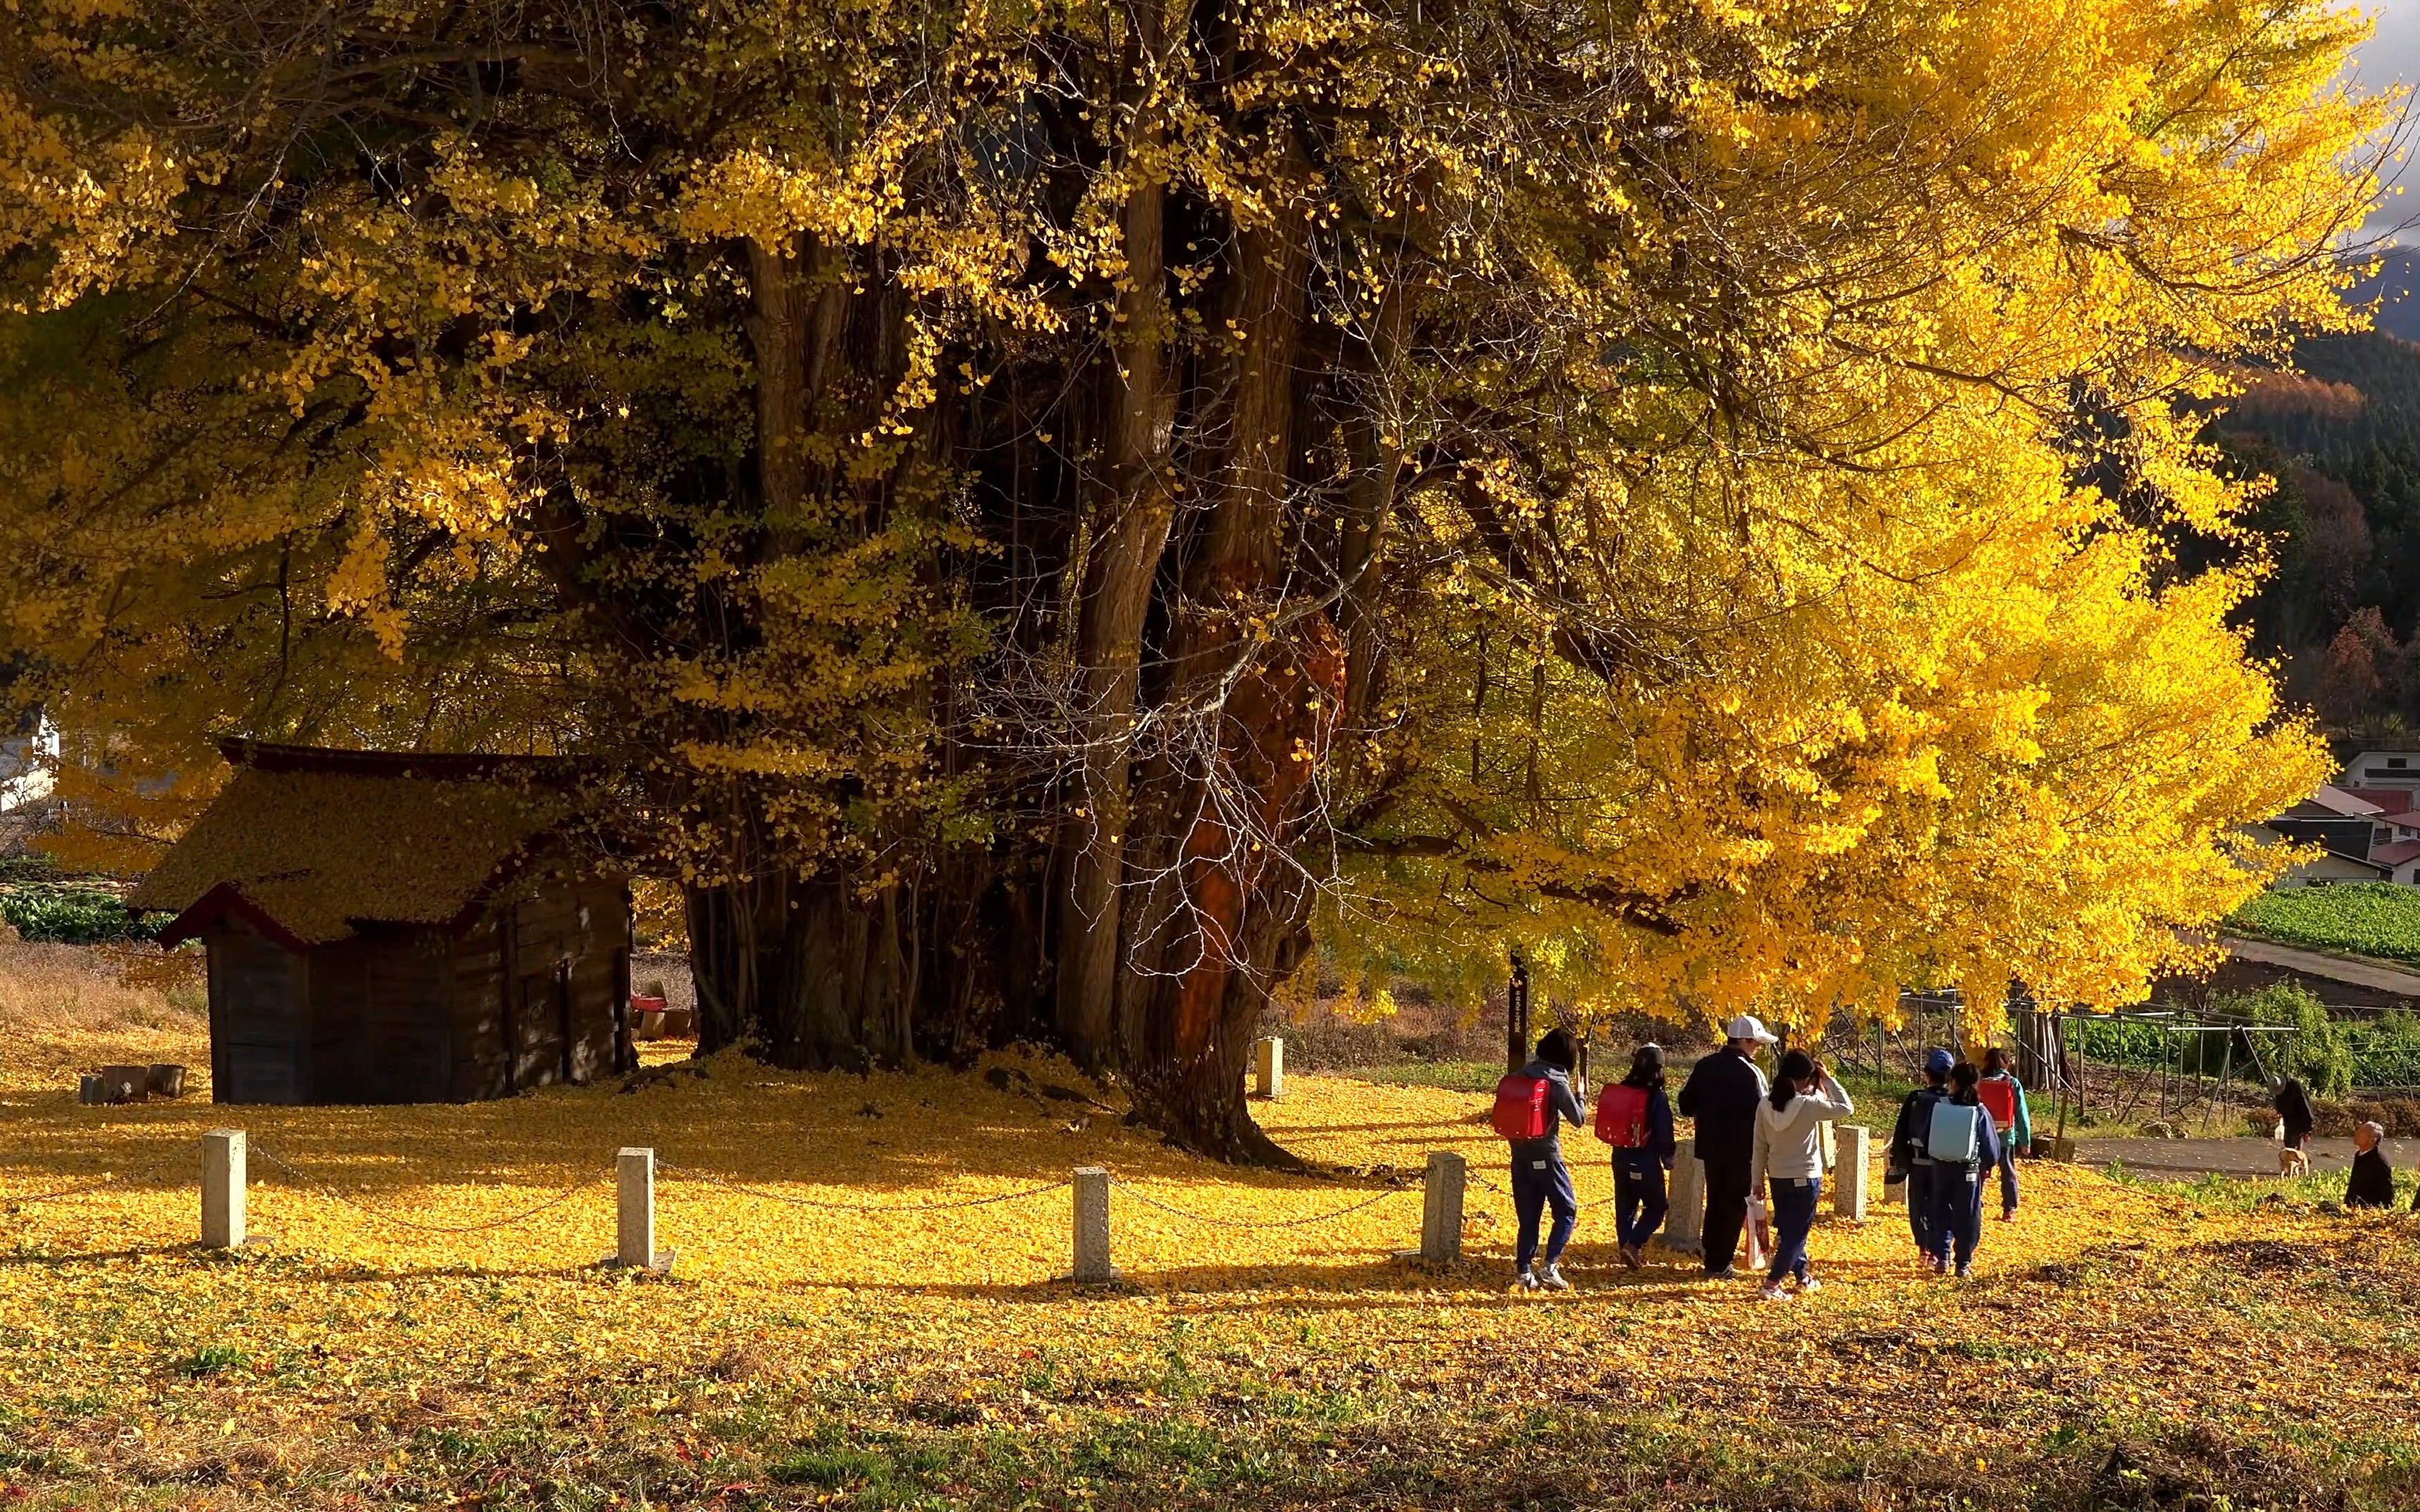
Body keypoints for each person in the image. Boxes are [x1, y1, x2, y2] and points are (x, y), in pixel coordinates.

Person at [1749, 1048, 1853, 1301]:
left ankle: (1802, 1276)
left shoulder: (1765, 1103)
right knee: (1796, 1234)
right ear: (1807, 1078)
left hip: (1778, 1176)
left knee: (1788, 1230)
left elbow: (1759, 1145)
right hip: (1805, 1175)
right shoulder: (1809, 1104)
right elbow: (1845, 1108)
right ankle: (1772, 1283)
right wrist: (1828, 1079)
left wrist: (1756, 1179)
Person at [1677, 1014, 1775, 1280]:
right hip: (1743, 1151)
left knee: (1717, 1202)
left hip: (1710, 1148)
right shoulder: (1752, 1073)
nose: (1758, 1048)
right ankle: (1720, 1263)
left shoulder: (1705, 1066)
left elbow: (1685, 1104)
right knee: (1735, 1205)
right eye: (1755, 1043)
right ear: (1743, 1041)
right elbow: (1764, 1114)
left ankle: (1713, 1257)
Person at [1507, 1028, 1587, 1290]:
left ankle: (1524, 1273)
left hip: (1519, 1155)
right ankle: (1550, 1266)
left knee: (1529, 1217)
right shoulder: (1557, 1082)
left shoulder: (1521, 1075)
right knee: (1566, 1210)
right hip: (1547, 1156)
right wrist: (1581, 1095)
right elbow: (1579, 1120)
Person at [1924, 1060, 2002, 1278]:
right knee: (1968, 1215)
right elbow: (1991, 1146)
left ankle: (1942, 1256)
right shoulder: (1979, 1111)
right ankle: (1963, 1262)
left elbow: (1926, 1134)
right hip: (1968, 1170)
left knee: (1940, 1210)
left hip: (1940, 1166)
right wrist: (1988, 1164)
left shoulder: (1940, 1106)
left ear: (1953, 1082)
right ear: (1977, 1084)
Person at [1608, 1044, 1677, 1268]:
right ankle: (1633, 1246)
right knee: (1656, 1207)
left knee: (1625, 1207)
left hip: (1619, 1157)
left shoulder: (1622, 1090)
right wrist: (1668, 1156)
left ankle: (1625, 1248)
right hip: (1645, 1161)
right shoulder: (1656, 1096)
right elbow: (1663, 1129)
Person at [1886, 1050, 1955, 1263]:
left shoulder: (1917, 1098)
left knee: (1918, 1205)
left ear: (1927, 1073)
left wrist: (1899, 1160)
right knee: (1944, 1204)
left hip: (1918, 1162)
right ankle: (1940, 1248)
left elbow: (1901, 1131)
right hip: (1946, 1165)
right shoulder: (1955, 1100)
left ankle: (1924, 1248)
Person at [1978, 1047, 2032, 1221]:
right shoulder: (2012, 1083)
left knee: (1978, 1170)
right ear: (2007, 1063)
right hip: (2004, 1136)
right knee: (2007, 1171)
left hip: (1982, 1136)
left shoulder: (1978, 1082)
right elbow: (2021, 1114)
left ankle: (1975, 1204)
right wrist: (2025, 1141)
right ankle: (2009, 1210)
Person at [2345, 1121, 2397, 1210]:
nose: (2357, 1134)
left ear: (2373, 1140)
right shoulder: (2359, 1154)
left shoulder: (2379, 1161)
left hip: (2368, 1210)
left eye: (2362, 1132)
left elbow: (2387, 1192)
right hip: (2353, 1207)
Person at [2273, 1074, 2316, 1178]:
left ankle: (2296, 1169)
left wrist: (2308, 1130)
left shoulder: (2297, 1089)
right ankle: (2290, 1168)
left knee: (2295, 1147)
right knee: (2288, 1146)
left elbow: (2306, 1109)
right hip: (2289, 1121)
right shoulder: (2281, 1091)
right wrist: (2279, 1111)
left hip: (2300, 1122)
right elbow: (2279, 1101)